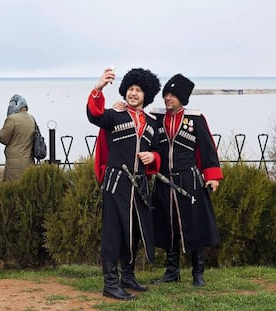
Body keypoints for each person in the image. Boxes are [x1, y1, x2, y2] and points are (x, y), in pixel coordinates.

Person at [86, 67, 161, 300]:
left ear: (146, 94)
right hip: (116, 182)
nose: (133, 93)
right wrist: (98, 88)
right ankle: (110, 283)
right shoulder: (114, 115)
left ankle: (127, 277)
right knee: (113, 233)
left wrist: (154, 158)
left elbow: (158, 150)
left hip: (140, 185)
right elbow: (94, 115)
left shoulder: (152, 122)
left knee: (136, 231)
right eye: (130, 89)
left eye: (138, 90)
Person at [150, 74, 223, 286]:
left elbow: (208, 149)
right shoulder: (156, 118)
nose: (168, 98)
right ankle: (172, 271)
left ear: (182, 97)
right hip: (164, 182)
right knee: (168, 225)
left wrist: (212, 177)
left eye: (172, 95)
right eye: (166, 94)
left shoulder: (196, 119)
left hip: (189, 182)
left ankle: (197, 272)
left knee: (195, 226)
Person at [0, 94, 36, 181]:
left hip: (14, 163)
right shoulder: (31, 118)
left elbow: (3, 139)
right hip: (29, 160)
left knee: (13, 188)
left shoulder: (12, 119)